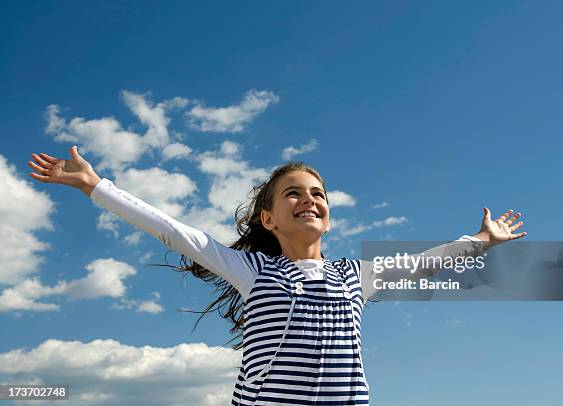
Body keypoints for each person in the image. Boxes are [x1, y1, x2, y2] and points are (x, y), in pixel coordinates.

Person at [27, 146, 527, 405]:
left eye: (318, 194)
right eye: (293, 193)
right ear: (268, 219)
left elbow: (424, 261)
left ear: (328, 216)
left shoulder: (356, 276)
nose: (308, 199)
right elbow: (173, 231)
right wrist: (96, 185)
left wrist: (481, 241)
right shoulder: (252, 270)